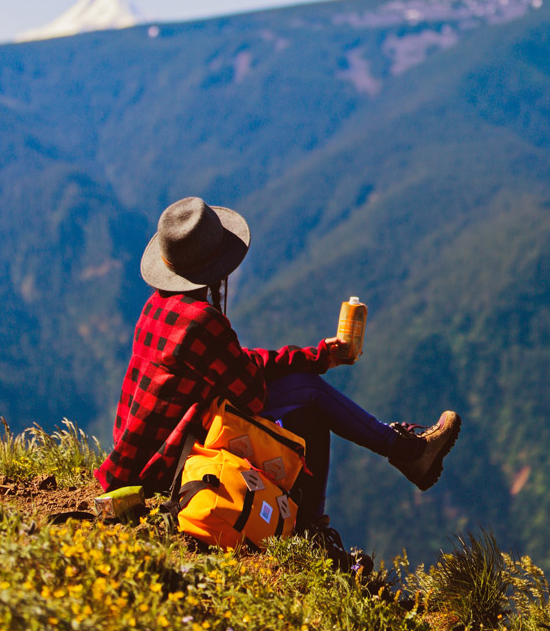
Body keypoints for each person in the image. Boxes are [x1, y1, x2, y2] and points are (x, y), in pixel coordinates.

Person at [96, 197, 460, 560]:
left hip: (140, 459)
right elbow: (252, 395)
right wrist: (309, 365)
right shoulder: (202, 321)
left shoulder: (158, 307)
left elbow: (234, 364)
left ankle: (370, 482)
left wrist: (314, 357)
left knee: (309, 394)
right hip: (170, 465)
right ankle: (394, 460)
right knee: (311, 397)